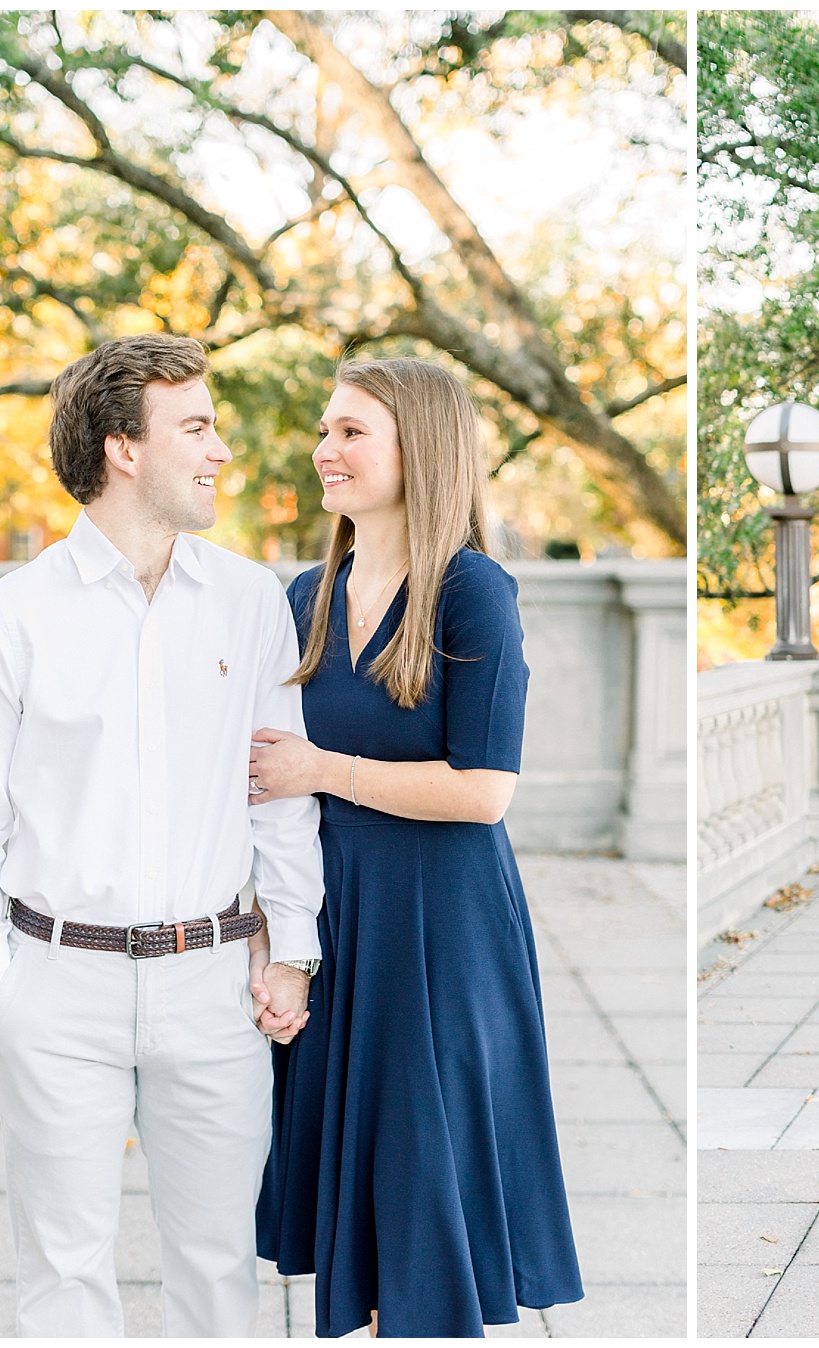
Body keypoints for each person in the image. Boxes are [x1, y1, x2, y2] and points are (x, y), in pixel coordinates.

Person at [0, 333, 324, 1336]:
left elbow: (279, 796)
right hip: (56, 987)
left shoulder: (250, 602)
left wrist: (292, 948)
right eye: (196, 427)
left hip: (215, 982)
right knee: (64, 1277)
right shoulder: (7, 619)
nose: (220, 450)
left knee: (219, 1272)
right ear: (123, 448)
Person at [250, 357, 583, 1337]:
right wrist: (278, 942)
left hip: (443, 925)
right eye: (326, 429)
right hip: (338, 915)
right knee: (363, 1201)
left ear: (419, 449)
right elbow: (269, 789)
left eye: (352, 431)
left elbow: (484, 791)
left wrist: (325, 769)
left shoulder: (473, 590)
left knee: (424, 1193)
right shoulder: (306, 594)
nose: (326, 449)